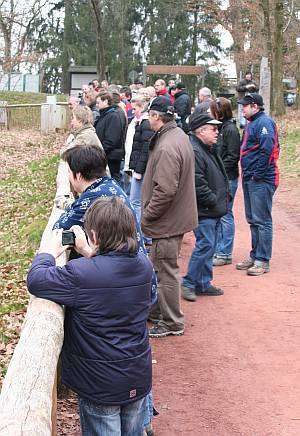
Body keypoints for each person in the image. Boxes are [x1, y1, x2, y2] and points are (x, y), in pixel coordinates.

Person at [28, 196, 155, 436]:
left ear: (94, 236)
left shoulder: (82, 274)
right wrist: (89, 253)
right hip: (136, 375)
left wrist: (48, 252)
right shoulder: (143, 265)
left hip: (100, 383)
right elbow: (111, 275)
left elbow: (36, 280)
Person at [141, 96, 198, 337]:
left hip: (167, 221)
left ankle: (173, 322)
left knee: (166, 272)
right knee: (159, 269)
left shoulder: (166, 145)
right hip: (173, 218)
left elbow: (165, 190)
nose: (147, 120)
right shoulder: (177, 135)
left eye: (149, 115)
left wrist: (147, 216)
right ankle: (155, 312)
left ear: (156, 116)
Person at [181, 113, 228, 302]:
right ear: (201, 131)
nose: (217, 132)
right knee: (206, 245)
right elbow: (197, 183)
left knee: (209, 245)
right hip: (205, 209)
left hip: (211, 208)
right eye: (213, 128)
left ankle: (203, 282)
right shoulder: (195, 150)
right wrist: (214, 200)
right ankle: (189, 282)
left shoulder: (206, 148)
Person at [236, 93, 280, 275]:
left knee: (262, 220)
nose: (242, 109)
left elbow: (268, 150)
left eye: (244, 106)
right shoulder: (251, 123)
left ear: (255, 106)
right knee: (253, 219)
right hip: (250, 177)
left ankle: (263, 259)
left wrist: (257, 175)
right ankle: (255, 255)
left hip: (261, 179)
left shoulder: (264, 123)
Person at [209, 97, 241, 266]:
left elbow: (233, 156)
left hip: (228, 178)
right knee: (220, 213)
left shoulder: (230, 130)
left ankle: (225, 252)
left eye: (213, 109)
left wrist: (218, 168)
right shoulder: (220, 128)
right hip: (221, 178)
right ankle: (219, 249)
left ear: (220, 112)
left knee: (226, 214)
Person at [128, 95, 154, 222]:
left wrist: (138, 170)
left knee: (136, 201)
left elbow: (145, 149)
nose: (133, 112)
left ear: (142, 107)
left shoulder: (145, 124)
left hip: (141, 170)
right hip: (140, 167)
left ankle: (140, 232)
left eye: (134, 109)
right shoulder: (141, 123)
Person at [94, 92, 125, 183]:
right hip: (104, 156)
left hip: (110, 158)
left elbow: (111, 140)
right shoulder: (104, 115)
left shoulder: (113, 116)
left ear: (106, 101)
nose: (96, 105)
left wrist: (99, 152)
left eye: (98, 102)